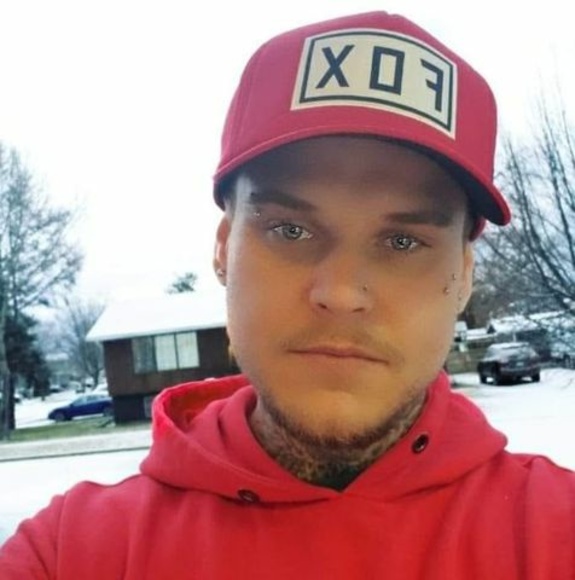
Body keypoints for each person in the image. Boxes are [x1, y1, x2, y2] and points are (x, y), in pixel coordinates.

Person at [1, 11, 574, 579]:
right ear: (224, 249)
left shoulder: (555, 531)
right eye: (290, 230)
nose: (341, 294)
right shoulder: (70, 553)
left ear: (464, 276)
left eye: (403, 242)